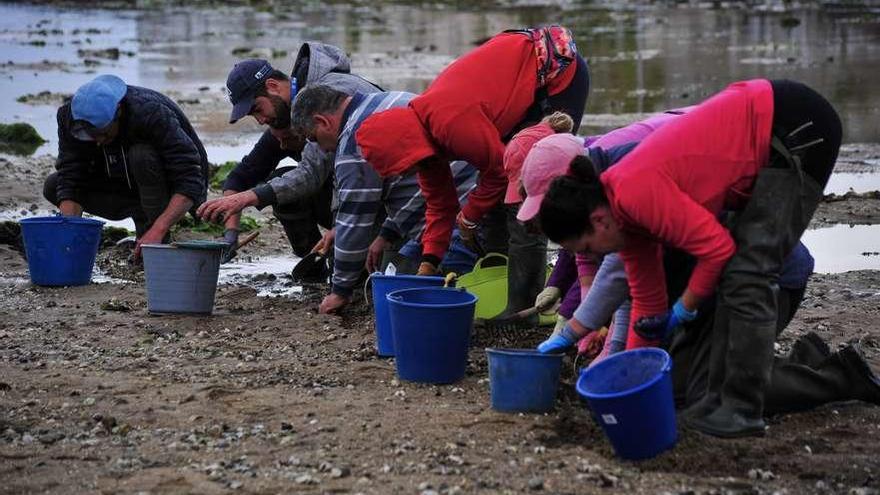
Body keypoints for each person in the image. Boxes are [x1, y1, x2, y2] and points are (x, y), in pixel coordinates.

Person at [537, 79, 848, 437]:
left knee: (749, 271)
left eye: (587, 249)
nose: (593, 257)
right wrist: (634, 379)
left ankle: (741, 412)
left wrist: (685, 305)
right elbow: (647, 308)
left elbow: (717, 249)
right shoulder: (626, 224)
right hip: (762, 138)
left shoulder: (634, 191)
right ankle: (770, 381)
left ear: (598, 220)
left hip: (791, 125)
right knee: (685, 389)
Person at [355, 26, 589, 276]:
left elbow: (499, 172)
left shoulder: (450, 123)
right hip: (516, 86)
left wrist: (469, 215)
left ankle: (529, 299)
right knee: (496, 202)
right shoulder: (425, 148)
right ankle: (502, 283)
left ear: (404, 146)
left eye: (403, 167)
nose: (407, 173)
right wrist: (428, 264)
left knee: (525, 186)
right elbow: (440, 206)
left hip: (557, 72)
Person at [290, 85, 478, 313]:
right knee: (396, 271)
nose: (323, 149)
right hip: (456, 197)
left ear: (323, 122)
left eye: (314, 139)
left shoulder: (353, 144)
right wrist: (386, 233)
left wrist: (339, 291)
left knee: (435, 296)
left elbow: (355, 223)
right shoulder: (384, 100)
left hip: (463, 218)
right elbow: (405, 184)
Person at [197, 44, 381, 263]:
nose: (260, 120)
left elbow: (309, 174)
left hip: (392, 195)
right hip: (363, 193)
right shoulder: (286, 117)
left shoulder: (322, 97)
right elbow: (241, 176)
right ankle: (318, 262)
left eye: (257, 109)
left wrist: (247, 198)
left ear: (273, 86)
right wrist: (230, 235)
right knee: (279, 181)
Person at [44, 74, 209, 257]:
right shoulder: (69, 119)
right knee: (53, 185)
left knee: (141, 156)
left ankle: (154, 234)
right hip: (121, 183)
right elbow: (71, 175)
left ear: (119, 111)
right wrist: (69, 237)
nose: (98, 142)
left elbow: (190, 178)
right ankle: (140, 219)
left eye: (104, 134)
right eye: (90, 136)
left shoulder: (150, 113)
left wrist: (158, 229)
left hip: (166, 185)